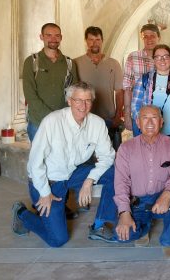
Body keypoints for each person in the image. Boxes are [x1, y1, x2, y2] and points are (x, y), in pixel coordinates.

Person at [10, 82, 116, 247]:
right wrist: (44, 192)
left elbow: (108, 157)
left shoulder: (97, 123)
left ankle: (99, 225)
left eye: (88, 100)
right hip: (48, 181)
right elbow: (35, 163)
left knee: (116, 172)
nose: (83, 105)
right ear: (69, 101)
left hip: (72, 174)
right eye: (78, 100)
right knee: (58, 240)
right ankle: (22, 214)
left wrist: (89, 181)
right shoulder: (52, 122)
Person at [112, 105, 170, 259]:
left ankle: (168, 241)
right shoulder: (126, 148)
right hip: (138, 202)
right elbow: (121, 182)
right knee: (122, 236)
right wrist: (124, 213)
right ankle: (144, 227)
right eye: (145, 118)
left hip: (162, 198)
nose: (150, 122)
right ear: (138, 123)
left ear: (161, 122)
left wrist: (167, 194)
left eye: (154, 118)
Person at [130, 44, 170, 199]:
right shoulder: (144, 81)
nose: (162, 60)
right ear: (154, 61)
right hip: (153, 134)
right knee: (154, 168)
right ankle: (154, 200)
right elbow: (135, 108)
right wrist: (144, 128)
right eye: (158, 57)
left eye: (165, 56)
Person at [22, 23, 78, 141]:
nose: (53, 39)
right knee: (39, 159)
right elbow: (30, 94)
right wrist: (50, 117)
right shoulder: (31, 62)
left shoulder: (70, 63)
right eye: (49, 35)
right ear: (41, 37)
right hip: (38, 123)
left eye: (57, 36)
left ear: (61, 38)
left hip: (63, 123)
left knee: (62, 158)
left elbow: (74, 93)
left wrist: (63, 117)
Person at [75, 26, 124, 150]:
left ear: (102, 41)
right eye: (91, 39)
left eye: (97, 39)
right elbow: (73, 93)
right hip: (85, 119)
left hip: (108, 119)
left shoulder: (114, 64)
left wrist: (118, 116)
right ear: (86, 41)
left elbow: (119, 92)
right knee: (86, 157)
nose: (94, 43)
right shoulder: (76, 63)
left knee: (110, 154)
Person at [123, 24, 158, 135]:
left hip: (160, 113)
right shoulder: (133, 57)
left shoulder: (164, 57)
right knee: (140, 148)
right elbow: (127, 88)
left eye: (152, 36)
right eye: (145, 36)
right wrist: (127, 115)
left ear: (158, 37)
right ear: (142, 38)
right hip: (139, 113)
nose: (149, 39)